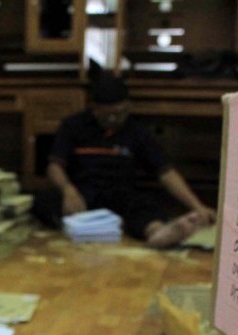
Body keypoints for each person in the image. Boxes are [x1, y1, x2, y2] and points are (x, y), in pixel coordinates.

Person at [40, 70, 216, 248]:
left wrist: (197, 206)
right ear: (93, 108)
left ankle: (158, 233)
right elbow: (55, 166)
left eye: (121, 113)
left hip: (121, 194)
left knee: (145, 206)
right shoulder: (73, 125)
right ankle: (81, 227)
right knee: (44, 202)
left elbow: (165, 172)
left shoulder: (136, 131)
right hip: (83, 194)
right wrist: (68, 190)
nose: (115, 119)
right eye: (109, 115)